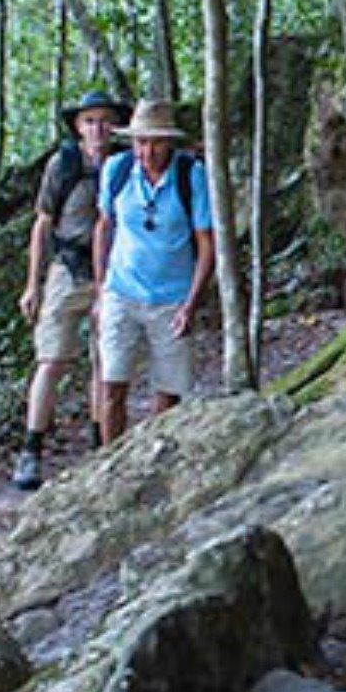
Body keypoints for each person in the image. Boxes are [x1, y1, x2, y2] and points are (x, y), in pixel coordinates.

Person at [12, 89, 125, 491]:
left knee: (105, 361)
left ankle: (100, 446)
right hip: (67, 269)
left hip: (111, 274)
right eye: (91, 120)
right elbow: (42, 224)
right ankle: (31, 449)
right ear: (79, 126)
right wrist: (34, 284)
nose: (99, 128)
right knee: (51, 361)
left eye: (106, 120)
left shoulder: (124, 164)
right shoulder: (64, 164)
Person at [94, 99, 215, 445]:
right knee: (112, 385)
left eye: (156, 142)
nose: (147, 150)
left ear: (170, 142)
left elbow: (206, 243)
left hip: (172, 299)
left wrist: (191, 304)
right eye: (140, 142)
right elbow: (104, 227)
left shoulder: (191, 176)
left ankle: (151, 460)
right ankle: (108, 463)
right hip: (121, 291)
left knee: (168, 393)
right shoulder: (116, 171)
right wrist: (101, 289)